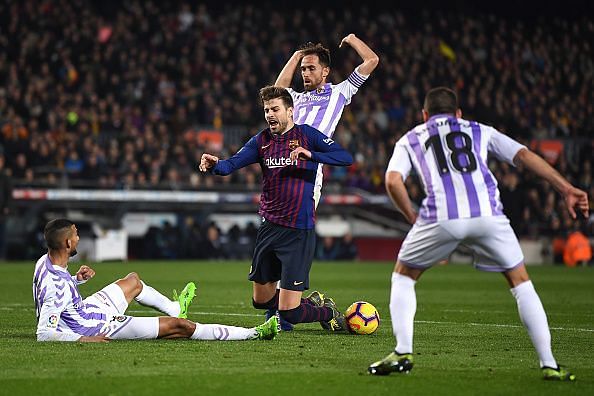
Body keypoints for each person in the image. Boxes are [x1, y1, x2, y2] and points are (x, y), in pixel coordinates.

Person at [368, 87, 588, 380]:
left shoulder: (412, 138)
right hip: (488, 214)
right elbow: (523, 155)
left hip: (440, 216)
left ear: (424, 115)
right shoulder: (479, 130)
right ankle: (549, 364)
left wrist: (413, 217)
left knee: (404, 276)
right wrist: (566, 188)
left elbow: (393, 180)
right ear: (458, 114)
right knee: (520, 282)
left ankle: (403, 351)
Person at [198, 86, 353, 332]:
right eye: (266, 110)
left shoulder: (307, 136)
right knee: (259, 300)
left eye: (275, 109)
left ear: (290, 111)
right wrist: (216, 164)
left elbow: (345, 157)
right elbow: (231, 165)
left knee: (289, 311)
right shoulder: (261, 141)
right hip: (269, 228)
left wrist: (310, 155)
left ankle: (326, 311)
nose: (270, 114)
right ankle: (309, 303)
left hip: (297, 232)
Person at [272, 35, 379, 328]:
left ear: (325, 72)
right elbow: (277, 90)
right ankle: (287, 307)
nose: (305, 73)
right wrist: (296, 55)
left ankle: (285, 312)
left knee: (290, 240)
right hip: (278, 172)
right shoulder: (295, 97)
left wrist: (354, 40)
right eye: (303, 69)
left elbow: (372, 61)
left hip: (306, 176)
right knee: (275, 241)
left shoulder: (341, 92)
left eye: (310, 68)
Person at [34, 218, 278, 342]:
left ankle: (175, 307)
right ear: (67, 243)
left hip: (86, 309)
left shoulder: (45, 262)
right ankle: (252, 334)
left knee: (132, 281)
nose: (78, 238)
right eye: (76, 235)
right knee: (180, 327)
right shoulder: (56, 286)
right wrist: (85, 339)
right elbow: (44, 332)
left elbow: (56, 293)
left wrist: (76, 280)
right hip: (95, 326)